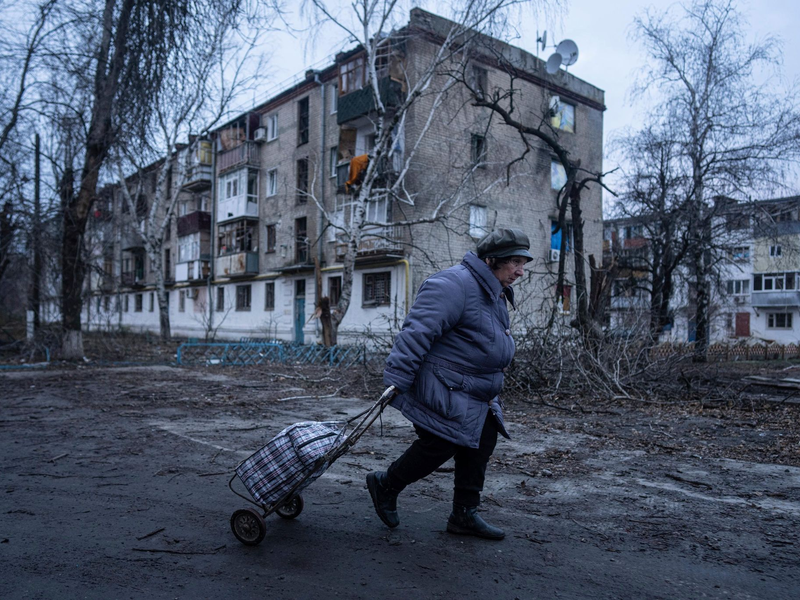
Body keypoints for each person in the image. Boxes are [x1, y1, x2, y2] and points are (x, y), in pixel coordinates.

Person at [366, 228, 532, 540]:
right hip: (441, 385)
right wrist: (397, 380)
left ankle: (464, 515)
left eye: (523, 263)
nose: (520, 272)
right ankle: (385, 485)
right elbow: (416, 332)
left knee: (483, 438)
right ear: (491, 260)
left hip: (472, 389)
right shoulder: (454, 284)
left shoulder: (492, 289)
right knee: (441, 442)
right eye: (514, 263)